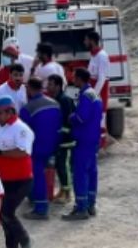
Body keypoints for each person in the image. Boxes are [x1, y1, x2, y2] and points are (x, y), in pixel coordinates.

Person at [0, 96, 34, 248]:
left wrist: (0, 153)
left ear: (9, 112)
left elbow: (23, 152)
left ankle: (25, 240)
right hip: (2, 180)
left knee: (6, 213)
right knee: (4, 215)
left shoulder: (21, 129)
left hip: (21, 180)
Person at [62, 69, 103, 220]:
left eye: (74, 78)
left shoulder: (85, 96)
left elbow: (81, 117)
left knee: (80, 173)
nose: (73, 80)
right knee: (92, 172)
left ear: (80, 79)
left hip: (84, 139)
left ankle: (81, 208)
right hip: (93, 139)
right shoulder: (94, 94)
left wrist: (71, 116)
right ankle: (90, 205)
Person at [19, 77, 62, 219]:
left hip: (36, 148)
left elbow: (22, 131)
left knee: (38, 177)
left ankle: (41, 209)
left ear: (30, 88)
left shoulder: (28, 108)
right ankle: (41, 202)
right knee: (47, 175)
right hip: (53, 146)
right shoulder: (55, 103)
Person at [47, 74, 76, 204]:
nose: (48, 87)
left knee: (64, 166)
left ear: (58, 86)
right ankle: (62, 191)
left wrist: (60, 134)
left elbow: (68, 122)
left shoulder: (64, 100)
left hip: (66, 140)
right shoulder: (55, 99)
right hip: (58, 140)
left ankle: (68, 194)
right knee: (59, 166)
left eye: (51, 84)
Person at [84, 31, 110, 145]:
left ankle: (101, 144)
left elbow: (102, 78)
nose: (84, 42)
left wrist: (93, 95)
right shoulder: (94, 55)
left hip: (99, 91)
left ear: (92, 41)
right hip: (94, 90)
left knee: (100, 119)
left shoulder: (102, 56)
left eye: (86, 40)